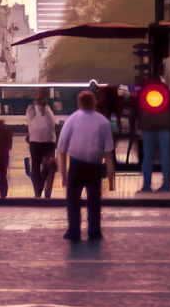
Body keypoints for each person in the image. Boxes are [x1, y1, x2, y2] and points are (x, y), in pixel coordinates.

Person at [57, 89, 116, 242]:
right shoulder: (102, 121)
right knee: (94, 200)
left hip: (76, 164)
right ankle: (94, 230)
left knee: (73, 199)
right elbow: (109, 151)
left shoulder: (72, 119)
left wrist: (63, 173)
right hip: (94, 166)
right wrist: (111, 177)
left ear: (79, 103)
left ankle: (74, 230)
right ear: (94, 103)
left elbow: (61, 149)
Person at [136, 78, 170, 192]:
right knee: (165, 156)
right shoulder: (165, 89)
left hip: (147, 125)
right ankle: (166, 184)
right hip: (164, 124)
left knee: (147, 157)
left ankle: (146, 185)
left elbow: (137, 107)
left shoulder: (143, 90)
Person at [25, 87, 57, 198]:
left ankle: (45, 192)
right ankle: (38, 192)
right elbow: (31, 119)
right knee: (35, 167)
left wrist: (43, 105)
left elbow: (47, 118)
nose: (39, 98)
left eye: (41, 96)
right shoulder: (31, 109)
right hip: (36, 141)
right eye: (37, 96)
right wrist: (38, 104)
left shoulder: (50, 108)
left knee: (49, 166)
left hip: (48, 141)